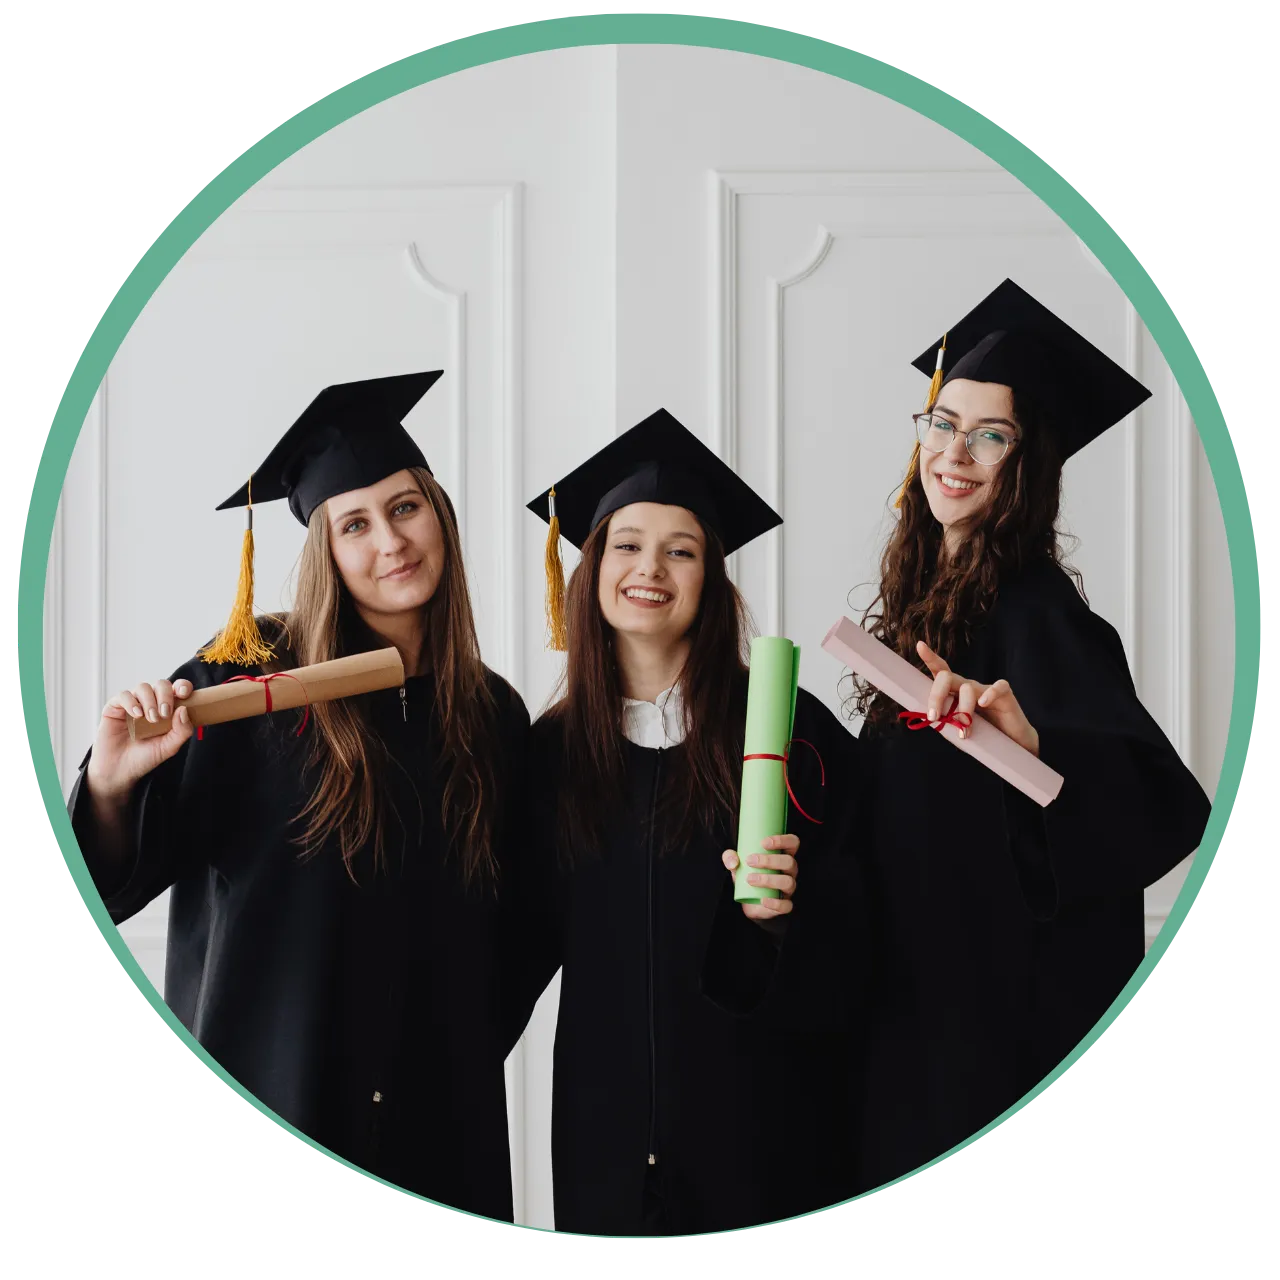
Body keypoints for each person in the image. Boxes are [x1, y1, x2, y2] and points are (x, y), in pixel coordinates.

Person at [65, 371, 534, 1222]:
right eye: (354, 524)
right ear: (324, 548)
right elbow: (112, 878)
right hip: (275, 1090)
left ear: (440, 516)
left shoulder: (491, 715)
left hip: (438, 1134)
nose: (389, 541)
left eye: (405, 508)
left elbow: (517, 931)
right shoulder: (243, 686)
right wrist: (108, 783)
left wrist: (449, 1051)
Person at [844, 279, 1214, 1191]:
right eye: (941, 422)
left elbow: (1164, 810)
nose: (953, 453)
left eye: (990, 434)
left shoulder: (1044, 615)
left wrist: (1036, 752)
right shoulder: (929, 610)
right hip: (913, 1015)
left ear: (1027, 462)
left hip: (992, 1039)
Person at [513, 409, 870, 1237]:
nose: (651, 568)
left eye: (682, 549)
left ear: (711, 578)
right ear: (592, 566)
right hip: (600, 1131)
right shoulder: (549, 755)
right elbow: (504, 943)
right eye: (627, 544)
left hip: (764, 1123)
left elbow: (869, 927)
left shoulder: (788, 731)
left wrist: (785, 923)